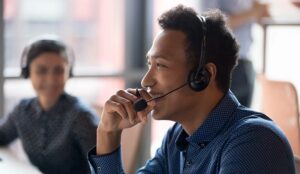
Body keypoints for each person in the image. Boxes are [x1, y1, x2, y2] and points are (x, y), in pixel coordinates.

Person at [88, 5, 295, 174]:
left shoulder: (254, 142)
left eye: (160, 65)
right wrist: (108, 133)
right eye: (149, 64)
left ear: (202, 76)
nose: (146, 81)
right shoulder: (178, 138)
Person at [0, 37, 99, 174]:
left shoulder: (81, 116)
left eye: (59, 71)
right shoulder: (22, 111)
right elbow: (2, 136)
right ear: (28, 73)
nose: (51, 79)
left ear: (68, 73)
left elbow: (102, 168)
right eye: (41, 71)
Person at [200, 0, 270, 107]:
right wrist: (252, 12)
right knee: (222, 115)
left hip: (246, 61)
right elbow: (210, 22)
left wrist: (259, 12)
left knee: (245, 117)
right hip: (223, 63)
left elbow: (262, 15)